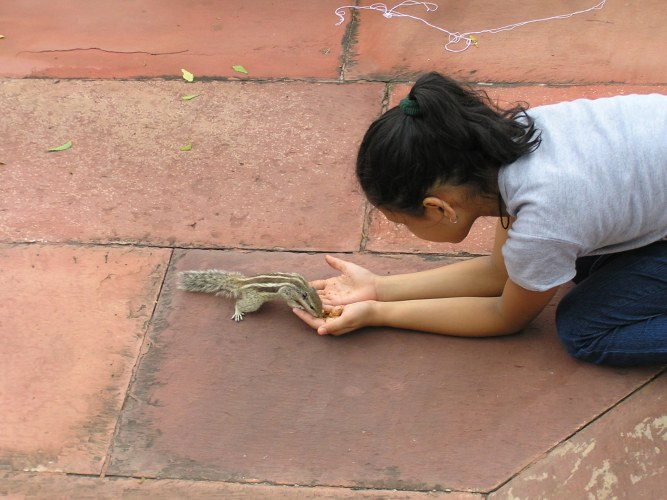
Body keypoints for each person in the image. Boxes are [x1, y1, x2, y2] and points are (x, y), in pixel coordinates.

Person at [293, 72, 667, 367]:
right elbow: (499, 272)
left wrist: (378, 314)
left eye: (403, 222)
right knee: (564, 266)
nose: (406, 229)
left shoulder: (543, 219)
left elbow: (504, 316)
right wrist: (378, 287)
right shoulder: (509, 142)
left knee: (582, 328)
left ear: (439, 208)